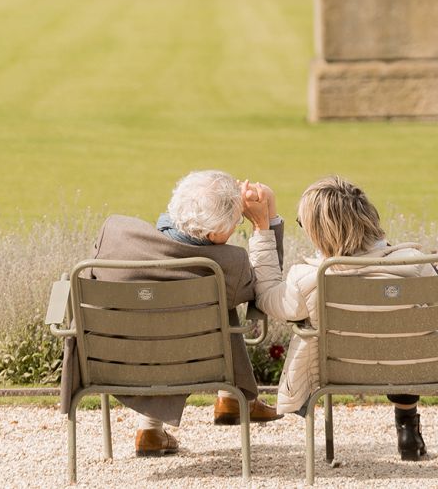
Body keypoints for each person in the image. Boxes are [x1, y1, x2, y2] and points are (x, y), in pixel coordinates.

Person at [246, 176, 438, 462]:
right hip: (415, 369)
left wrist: (263, 228)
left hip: (338, 373)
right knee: (401, 340)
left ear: (319, 231)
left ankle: (407, 425)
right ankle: (408, 428)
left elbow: (267, 298)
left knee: (390, 342)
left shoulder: (310, 279)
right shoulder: (415, 265)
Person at [60, 170, 283, 458]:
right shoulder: (229, 265)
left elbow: (167, 245)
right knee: (210, 299)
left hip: (117, 361)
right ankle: (234, 396)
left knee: (162, 305)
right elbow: (267, 291)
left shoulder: (115, 232)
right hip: (189, 361)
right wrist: (266, 221)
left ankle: (150, 429)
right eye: (236, 221)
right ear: (216, 234)